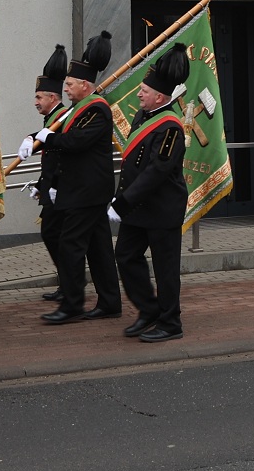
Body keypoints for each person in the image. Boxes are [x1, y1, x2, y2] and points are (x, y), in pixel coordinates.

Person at [39, 31, 122, 322]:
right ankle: (110, 303)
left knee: (70, 245)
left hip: (86, 190)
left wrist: (47, 139)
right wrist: (37, 137)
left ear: (85, 85)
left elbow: (75, 142)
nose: (66, 89)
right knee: (99, 249)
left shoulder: (96, 109)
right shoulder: (79, 109)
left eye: (70, 84)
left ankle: (72, 304)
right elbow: (64, 135)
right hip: (84, 188)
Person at [112, 44, 190, 342]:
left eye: (144, 91)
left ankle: (171, 322)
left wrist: (123, 202)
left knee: (165, 267)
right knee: (125, 255)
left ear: (160, 97)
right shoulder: (142, 117)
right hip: (138, 208)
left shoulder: (170, 127)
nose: (139, 94)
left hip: (162, 209)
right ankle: (148, 309)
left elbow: (157, 171)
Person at [19, 44, 70, 302]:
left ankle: (70, 285)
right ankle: (67, 284)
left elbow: (62, 155)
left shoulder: (63, 117)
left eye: (39, 97)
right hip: (52, 187)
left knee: (54, 235)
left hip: (62, 189)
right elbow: (48, 156)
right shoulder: (51, 119)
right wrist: (41, 184)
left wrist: (55, 184)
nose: (36, 102)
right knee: (53, 235)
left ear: (52, 97)